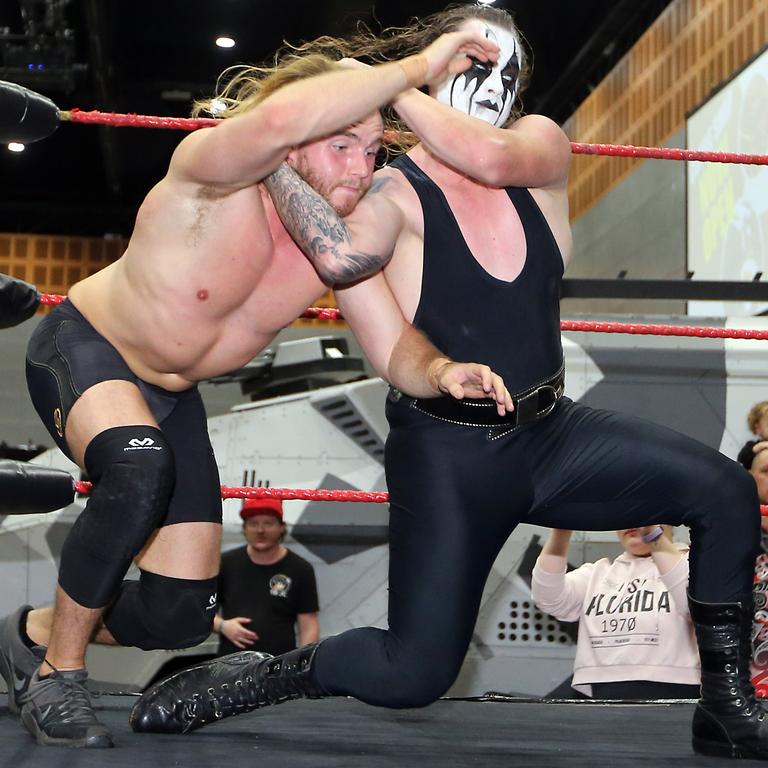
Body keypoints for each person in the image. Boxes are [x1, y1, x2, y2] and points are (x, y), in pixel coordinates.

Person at [130, 4, 766, 760]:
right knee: (415, 672)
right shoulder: (390, 197)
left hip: (554, 433)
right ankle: (259, 676)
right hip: (448, 453)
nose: (492, 81)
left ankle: (723, 708)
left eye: (506, 69)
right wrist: (272, 152)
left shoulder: (538, 148)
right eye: (473, 61)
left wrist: (396, 84)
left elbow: (490, 161)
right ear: (436, 63)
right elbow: (337, 263)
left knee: (725, 491)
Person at [0, 28, 512, 750]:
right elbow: (274, 120)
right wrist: (421, 66)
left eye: (373, 152)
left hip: (173, 399)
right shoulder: (221, 165)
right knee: (140, 463)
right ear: (301, 134)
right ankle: (58, 672)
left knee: (177, 615)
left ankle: (32, 632)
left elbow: (393, 345)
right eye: (342, 143)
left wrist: (439, 372)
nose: (361, 167)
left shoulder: (333, 241)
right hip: (87, 347)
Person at [532, 527, 700, 699]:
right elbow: (548, 599)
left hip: (679, 692)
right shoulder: (598, 573)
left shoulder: (694, 564)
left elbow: (694, 601)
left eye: (642, 509)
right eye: (627, 513)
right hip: (605, 697)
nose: (633, 522)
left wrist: (652, 534)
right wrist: (562, 530)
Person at [214, 498, 319, 656]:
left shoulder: (301, 569)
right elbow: (202, 612)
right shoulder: (225, 563)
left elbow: (309, 626)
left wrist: (303, 667)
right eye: (253, 523)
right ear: (244, 528)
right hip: (230, 666)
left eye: (268, 523)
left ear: (282, 527)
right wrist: (223, 626)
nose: (260, 530)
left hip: (279, 667)